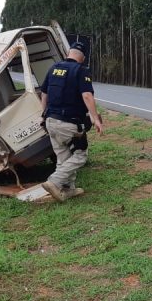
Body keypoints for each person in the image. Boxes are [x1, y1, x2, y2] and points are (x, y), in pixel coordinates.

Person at [40, 41, 103, 201]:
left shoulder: (54, 68)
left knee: (63, 157)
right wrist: (95, 118)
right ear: (82, 58)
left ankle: (67, 189)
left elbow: (44, 93)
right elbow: (87, 95)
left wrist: (44, 114)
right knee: (80, 155)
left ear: (69, 53)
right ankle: (54, 181)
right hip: (69, 123)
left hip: (50, 121)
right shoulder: (81, 70)